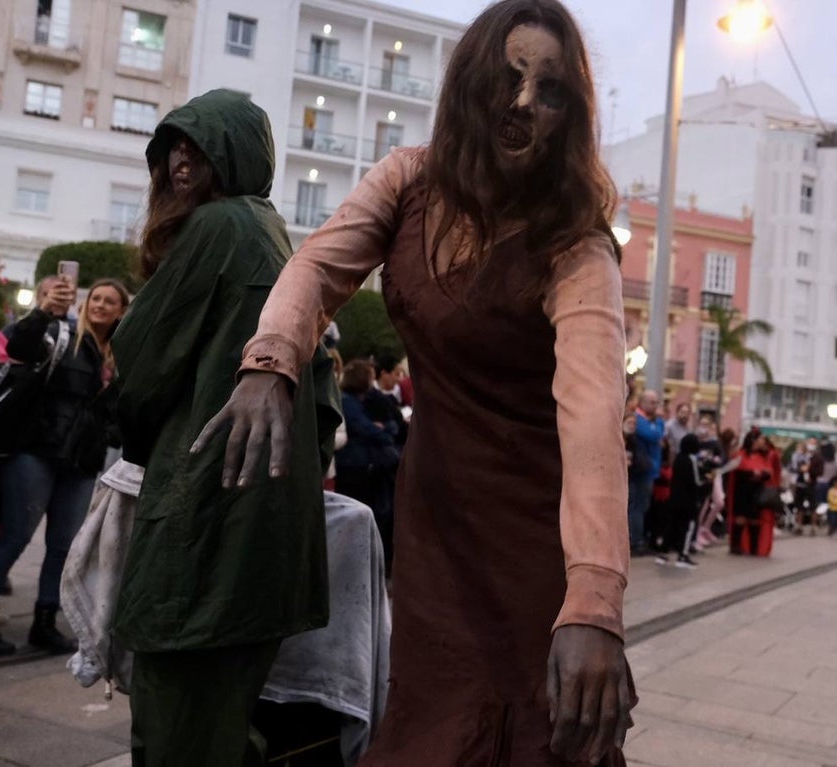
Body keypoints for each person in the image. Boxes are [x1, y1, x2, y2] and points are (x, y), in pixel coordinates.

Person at [196, 3, 634, 763]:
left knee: (530, 727)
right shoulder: (408, 180)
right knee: (432, 712)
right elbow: (315, 267)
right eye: (508, 76)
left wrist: (594, 600)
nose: (524, 102)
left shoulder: (576, 244)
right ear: (470, 83)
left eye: (551, 90)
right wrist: (270, 365)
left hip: (538, 530)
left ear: (572, 117)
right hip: (436, 516)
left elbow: (594, 415)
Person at [108, 90, 341, 766]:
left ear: (234, 154)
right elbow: (324, 401)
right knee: (220, 719)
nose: (182, 159)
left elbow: (140, 358)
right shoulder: (271, 233)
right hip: (256, 524)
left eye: (199, 145)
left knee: (175, 719)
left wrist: (145, 440)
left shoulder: (220, 228)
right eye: (173, 146)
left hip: (202, 511)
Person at [0, 277, 128, 655]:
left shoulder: (122, 353)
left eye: (110, 301)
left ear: (121, 311)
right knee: (16, 535)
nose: (100, 305)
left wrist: (109, 434)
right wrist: (43, 311)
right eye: (95, 298)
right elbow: (18, 346)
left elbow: (121, 407)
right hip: (37, 449)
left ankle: (45, 621)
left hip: (83, 459)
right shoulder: (62, 333)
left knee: (64, 546)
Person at [338, 360, 398, 575]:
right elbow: (367, 429)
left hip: (360, 464)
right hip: (356, 467)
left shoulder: (358, 401)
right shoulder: (349, 403)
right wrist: (386, 431)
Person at [656, 433, 704, 569]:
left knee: (671, 526)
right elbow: (696, 481)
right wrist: (707, 479)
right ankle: (683, 555)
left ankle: (663, 553)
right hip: (688, 502)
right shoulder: (691, 459)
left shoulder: (678, 458)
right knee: (688, 527)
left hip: (674, 499)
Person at [629, 390, 665, 556]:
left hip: (649, 471)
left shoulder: (649, 421)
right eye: (652, 402)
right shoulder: (639, 419)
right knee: (637, 507)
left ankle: (639, 538)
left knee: (643, 507)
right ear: (641, 402)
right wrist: (658, 422)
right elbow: (654, 435)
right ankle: (635, 541)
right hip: (641, 471)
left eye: (656, 402)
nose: (655, 406)